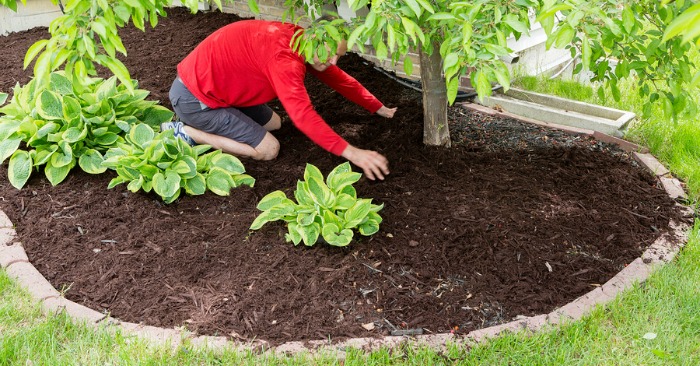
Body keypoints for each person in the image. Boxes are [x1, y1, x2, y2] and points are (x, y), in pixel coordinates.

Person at [163, 19, 397, 180]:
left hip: (219, 89)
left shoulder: (301, 38)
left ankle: (220, 119)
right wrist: (353, 153)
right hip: (195, 99)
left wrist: (378, 107)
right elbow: (303, 115)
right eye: (331, 53)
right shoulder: (285, 60)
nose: (334, 61)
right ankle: (186, 132)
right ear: (316, 38)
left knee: (275, 124)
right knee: (268, 149)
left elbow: (339, 79)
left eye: (339, 55)